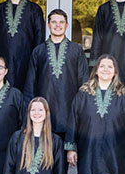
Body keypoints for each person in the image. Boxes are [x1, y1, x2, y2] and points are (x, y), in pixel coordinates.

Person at [25, 9, 88, 139]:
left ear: (66, 25)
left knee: (67, 156)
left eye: (61, 22)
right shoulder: (38, 51)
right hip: (44, 114)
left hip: (70, 113)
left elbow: (84, 82)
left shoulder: (76, 51)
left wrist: (83, 111)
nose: (57, 25)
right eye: (54, 22)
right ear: (48, 25)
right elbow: (30, 84)